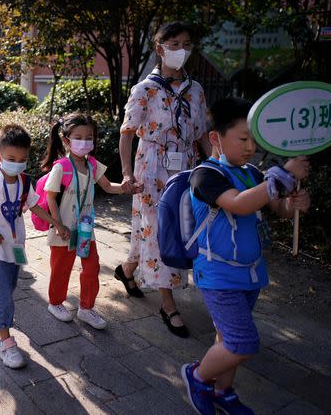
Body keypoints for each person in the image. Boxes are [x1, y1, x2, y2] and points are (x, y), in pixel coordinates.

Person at [182, 97, 311, 415]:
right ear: (216, 138)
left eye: (255, 140)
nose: (251, 147)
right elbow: (239, 203)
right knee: (242, 343)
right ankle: (197, 377)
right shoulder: (205, 175)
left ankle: (223, 391)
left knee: (227, 338)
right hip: (218, 275)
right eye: (243, 139)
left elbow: (276, 209)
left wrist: (293, 204)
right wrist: (279, 177)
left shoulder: (253, 173)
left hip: (250, 273)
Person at [115, 21, 211, 338]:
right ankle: (168, 304)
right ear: (160, 49)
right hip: (153, 167)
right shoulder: (145, 90)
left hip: (186, 167)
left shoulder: (196, 90)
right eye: (174, 45)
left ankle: (128, 270)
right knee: (158, 231)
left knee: (170, 229)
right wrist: (127, 173)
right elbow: (127, 133)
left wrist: (214, 166)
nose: (181, 51)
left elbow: (203, 135)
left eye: (186, 44)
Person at [0, 125, 68, 369]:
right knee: (4, 296)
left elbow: (33, 204)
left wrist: (56, 222)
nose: (17, 163)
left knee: (7, 287)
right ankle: (5, 341)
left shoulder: (24, 180)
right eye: (11, 159)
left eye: (22, 159)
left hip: (15, 245)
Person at [41, 113, 140, 330]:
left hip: (85, 228)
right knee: (61, 268)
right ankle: (56, 303)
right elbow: (50, 197)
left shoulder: (93, 165)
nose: (85, 142)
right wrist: (58, 225)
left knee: (91, 267)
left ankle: (86, 308)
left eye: (89, 137)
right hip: (63, 230)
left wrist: (125, 187)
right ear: (67, 140)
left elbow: (107, 186)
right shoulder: (62, 167)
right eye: (79, 137)